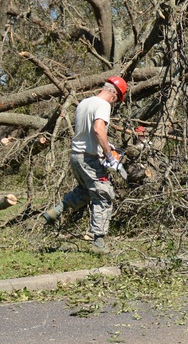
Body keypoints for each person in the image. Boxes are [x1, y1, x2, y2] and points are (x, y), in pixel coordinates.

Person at [42, 76, 129, 253]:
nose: (113, 104)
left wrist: (108, 146)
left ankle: (57, 211)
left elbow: (87, 132)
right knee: (104, 195)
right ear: (114, 95)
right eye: (116, 101)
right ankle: (98, 243)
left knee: (85, 191)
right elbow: (98, 129)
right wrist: (109, 156)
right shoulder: (104, 105)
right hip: (89, 158)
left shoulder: (84, 103)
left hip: (76, 156)